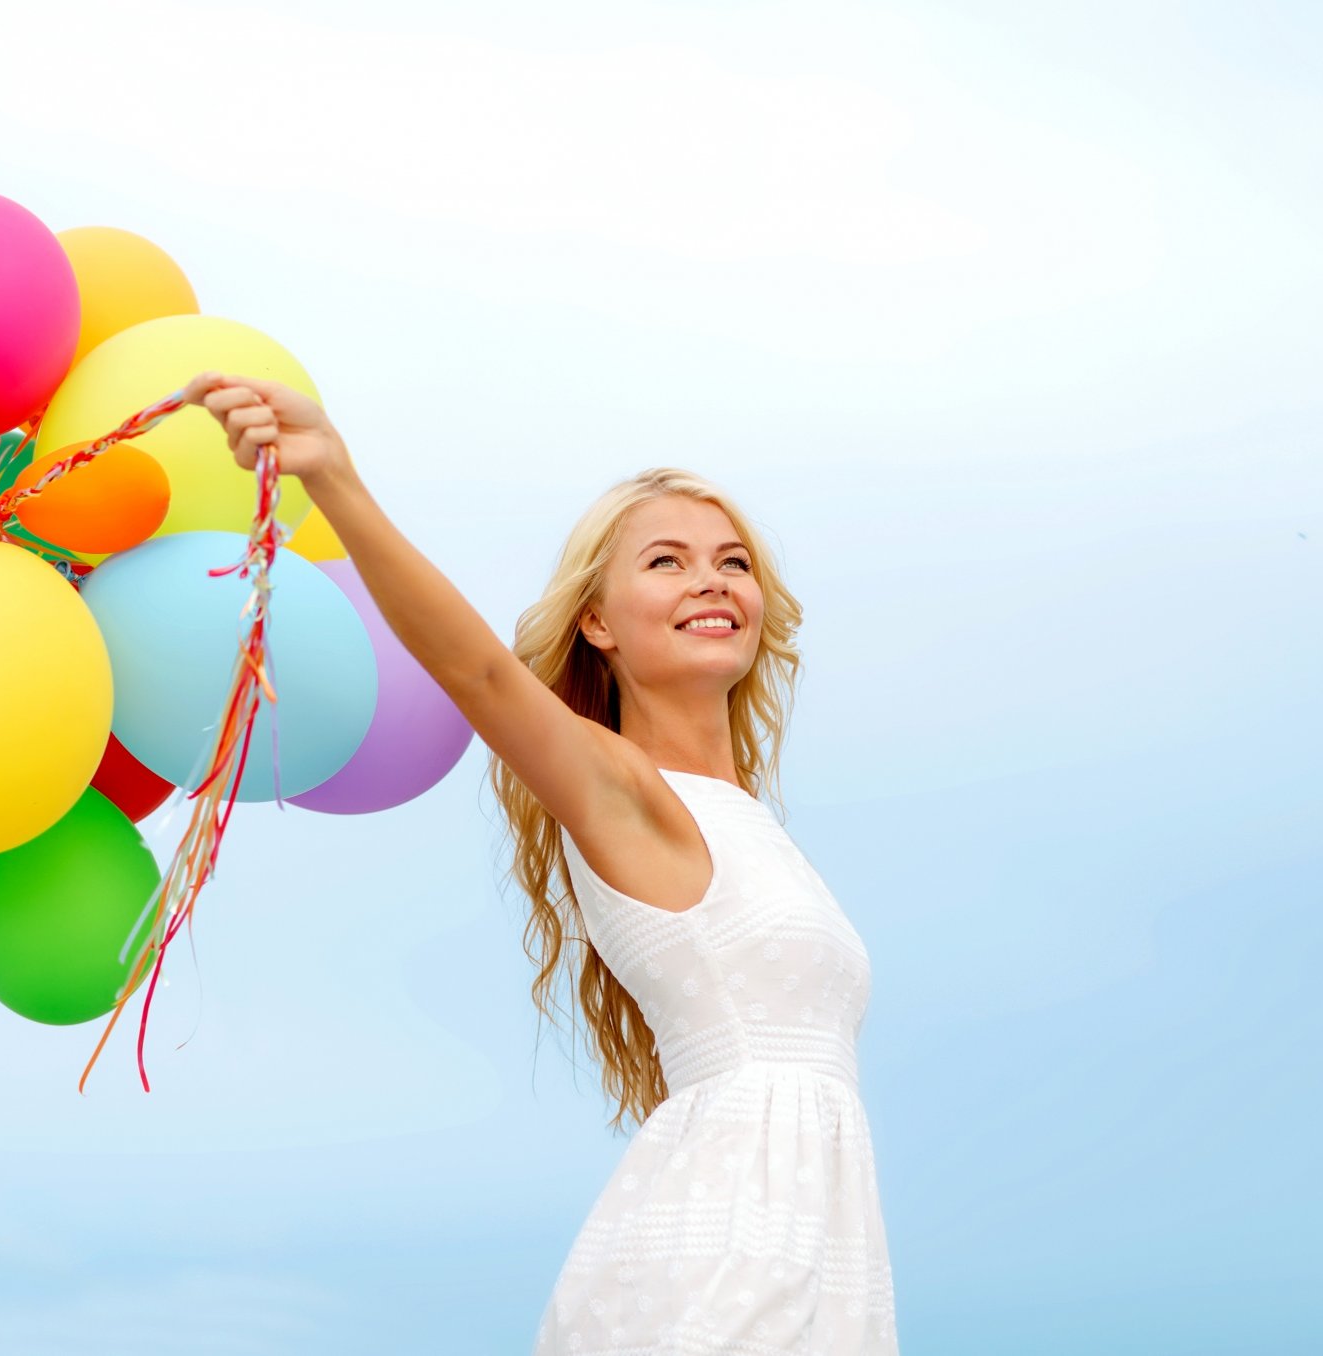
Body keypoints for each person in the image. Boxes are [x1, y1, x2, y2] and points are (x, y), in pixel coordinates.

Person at [186, 371, 899, 1354]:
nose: (710, 579)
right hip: (725, 1257)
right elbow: (477, 673)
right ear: (598, 622)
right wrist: (334, 478)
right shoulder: (622, 787)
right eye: (666, 561)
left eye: (732, 560)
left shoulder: (754, 829)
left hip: (806, 1246)